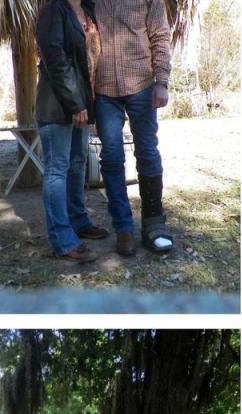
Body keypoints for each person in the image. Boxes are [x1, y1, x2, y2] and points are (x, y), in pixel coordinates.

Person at [94, 0, 174, 256]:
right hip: (103, 90)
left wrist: (161, 81)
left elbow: (160, 35)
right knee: (112, 156)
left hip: (142, 84)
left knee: (148, 152)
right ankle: (123, 229)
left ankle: (154, 225)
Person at [35, 0, 108, 263]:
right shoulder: (54, 10)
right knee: (57, 169)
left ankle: (79, 220)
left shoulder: (88, 10)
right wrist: (75, 103)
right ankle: (62, 240)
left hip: (80, 104)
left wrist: (87, 104)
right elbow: (55, 60)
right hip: (57, 105)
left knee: (77, 164)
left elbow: (87, 63)